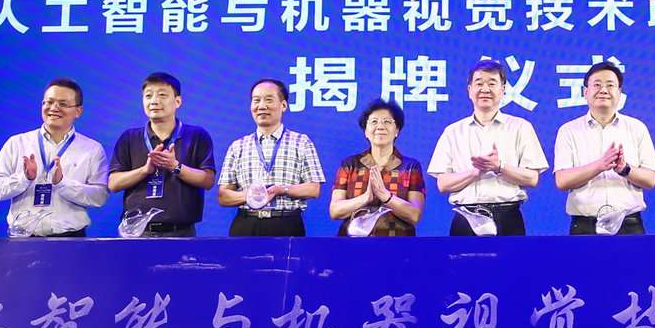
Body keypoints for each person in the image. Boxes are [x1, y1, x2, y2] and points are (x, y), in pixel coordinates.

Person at [428, 57, 548, 236]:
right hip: (465, 218)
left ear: (503, 90)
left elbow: (532, 178)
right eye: (479, 83)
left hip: (508, 217)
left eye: (492, 83)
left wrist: (499, 167)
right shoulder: (452, 131)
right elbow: (443, 184)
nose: (485, 89)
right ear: (469, 90)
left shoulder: (521, 127)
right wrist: (475, 173)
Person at [0, 77, 110, 237]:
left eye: (63, 104)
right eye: (49, 102)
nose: (54, 108)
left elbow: (99, 197)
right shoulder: (17, 143)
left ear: (78, 111)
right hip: (22, 238)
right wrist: (24, 178)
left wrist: (63, 183)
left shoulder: (92, 149)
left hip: (70, 239)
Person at [553, 61, 655, 234]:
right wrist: (600, 165)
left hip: (629, 226)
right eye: (597, 85)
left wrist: (625, 169)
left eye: (610, 85)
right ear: (585, 92)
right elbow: (562, 181)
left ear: (619, 93)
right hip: (585, 226)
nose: (603, 90)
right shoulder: (568, 130)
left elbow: (650, 180)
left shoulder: (637, 128)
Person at [106, 72, 217, 237]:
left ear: (178, 101)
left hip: (181, 232)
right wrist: (144, 171)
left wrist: (175, 166)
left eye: (162, 95)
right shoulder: (129, 138)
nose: (154, 101)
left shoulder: (197, 136)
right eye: (148, 96)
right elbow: (113, 184)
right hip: (137, 233)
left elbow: (208, 181)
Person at [216, 78, 324, 237]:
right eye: (256, 100)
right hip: (246, 224)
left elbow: (313, 189)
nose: (261, 106)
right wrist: (251, 196)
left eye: (269, 100)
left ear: (283, 105)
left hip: (286, 223)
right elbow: (223, 196)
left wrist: (281, 190)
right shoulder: (238, 146)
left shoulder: (301, 142)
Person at [328, 99, 426, 236]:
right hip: (354, 243)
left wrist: (385, 196)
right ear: (365, 132)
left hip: (397, 242)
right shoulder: (350, 164)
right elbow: (335, 211)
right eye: (374, 121)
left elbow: (414, 214)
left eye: (387, 122)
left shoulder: (410, 166)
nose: (380, 126)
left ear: (397, 131)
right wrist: (364, 199)